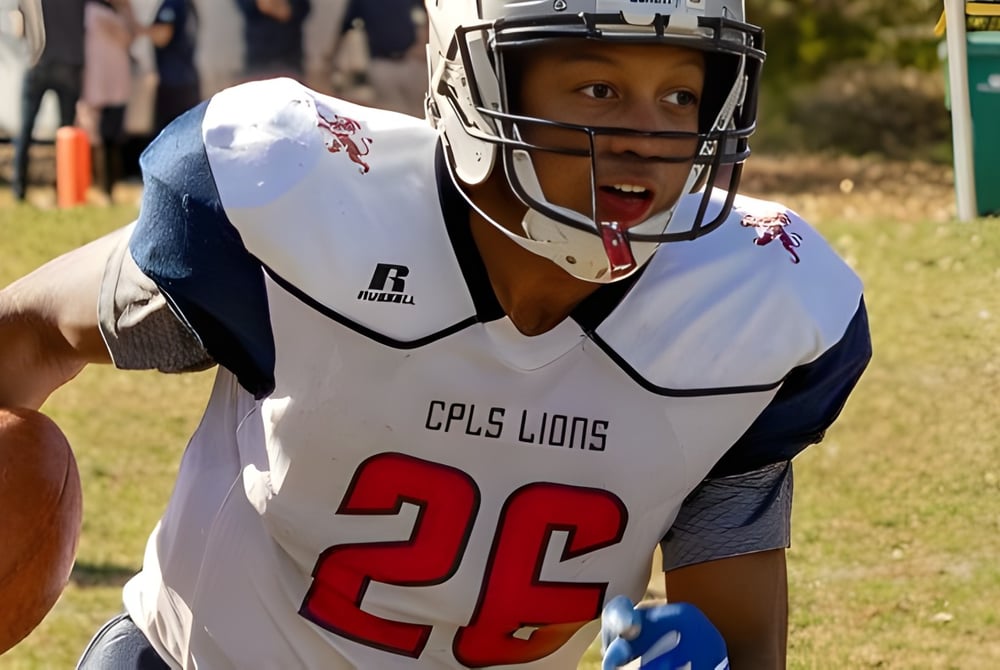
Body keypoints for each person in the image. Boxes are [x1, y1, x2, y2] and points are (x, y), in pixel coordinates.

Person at [0, 0, 871, 668]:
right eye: (599, 87)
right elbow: (31, 330)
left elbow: (732, 622)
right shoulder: (299, 208)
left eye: (682, 93)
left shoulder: (756, 308)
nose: (648, 134)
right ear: (480, 80)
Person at [9, 0, 85, 202]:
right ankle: (65, 190)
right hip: (70, 62)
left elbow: (19, 29)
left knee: (26, 130)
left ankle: (19, 190)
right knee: (67, 133)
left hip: (38, 62)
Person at [78, 0, 137, 203]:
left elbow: (131, 35)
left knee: (112, 134)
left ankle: (110, 188)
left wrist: (127, 10)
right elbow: (126, 36)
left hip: (116, 80)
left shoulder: (117, 11)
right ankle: (102, 188)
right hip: (98, 80)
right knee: (99, 135)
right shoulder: (93, 10)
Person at [340, 0, 427, 117]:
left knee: (423, 112)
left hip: (412, 60)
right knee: (394, 114)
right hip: (382, 63)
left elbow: (429, 14)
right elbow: (345, 27)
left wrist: (422, 44)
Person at [145, 0, 201, 134]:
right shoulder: (189, 5)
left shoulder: (172, 4)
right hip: (189, 80)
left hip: (173, 83)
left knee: (166, 137)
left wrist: (136, 29)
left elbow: (163, 36)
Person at [235, 0, 310, 82]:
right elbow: (251, 6)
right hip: (258, 57)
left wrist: (276, 7)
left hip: (290, 56)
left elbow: (298, 10)